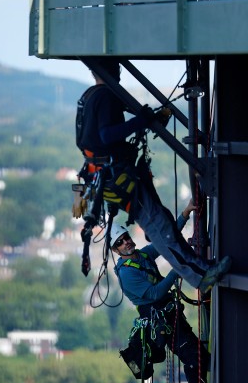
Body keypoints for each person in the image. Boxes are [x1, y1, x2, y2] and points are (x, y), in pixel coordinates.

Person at [76, 57, 231, 294]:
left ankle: (203, 269)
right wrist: (142, 121)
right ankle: (200, 276)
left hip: (113, 178)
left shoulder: (88, 97)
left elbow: (91, 139)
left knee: (163, 221)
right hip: (119, 178)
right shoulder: (105, 96)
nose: (119, 71)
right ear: (113, 70)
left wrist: (145, 118)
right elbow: (107, 135)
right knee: (160, 226)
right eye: (117, 67)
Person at [111, 202, 210, 383]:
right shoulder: (127, 274)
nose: (126, 242)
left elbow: (166, 241)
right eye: (120, 242)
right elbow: (155, 293)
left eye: (126, 237)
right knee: (194, 357)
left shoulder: (142, 256)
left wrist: (185, 213)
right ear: (115, 250)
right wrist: (177, 271)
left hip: (171, 315)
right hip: (161, 323)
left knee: (198, 354)